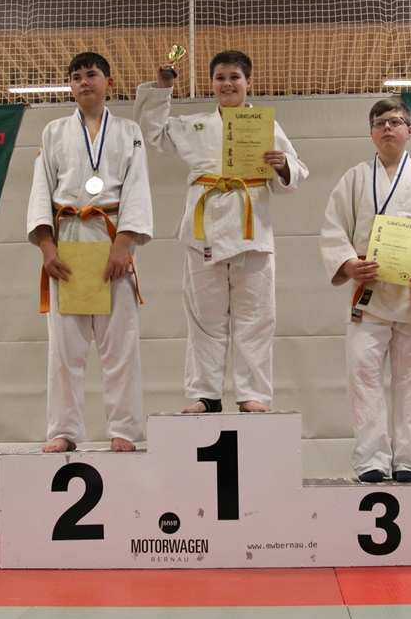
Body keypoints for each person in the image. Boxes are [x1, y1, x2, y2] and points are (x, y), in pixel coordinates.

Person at [134, 50, 308, 414]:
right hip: (204, 231)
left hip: (251, 231)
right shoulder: (195, 125)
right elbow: (153, 135)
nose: (227, 84)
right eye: (220, 77)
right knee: (204, 318)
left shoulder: (265, 126)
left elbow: (296, 175)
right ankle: (206, 394)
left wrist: (283, 165)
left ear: (248, 83)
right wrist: (163, 90)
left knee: (256, 318)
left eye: (234, 77)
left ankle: (253, 394)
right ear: (211, 84)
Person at [320, 98, 411, 484]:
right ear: (371, 133)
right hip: (370, 293)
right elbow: (333, 228)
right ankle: (371, 460)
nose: (387, 128)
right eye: (380, 123)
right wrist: (347, 263)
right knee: (363, 377)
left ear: (409, 131)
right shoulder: (354, 178)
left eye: (395, 122)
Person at [27, 52, 153, 453]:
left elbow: (137, 188)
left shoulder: (129, 131)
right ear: (71, 85)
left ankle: (123, 430)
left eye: (92, 74)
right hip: (67, 241)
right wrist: (46, 245)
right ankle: (63, 430)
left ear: (108, 83)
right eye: (77, 76)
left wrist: (123, 245)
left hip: (111, 235)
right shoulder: (54, 131)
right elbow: (41, 190)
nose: (84, 82)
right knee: (65, 349)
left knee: (120, 344)